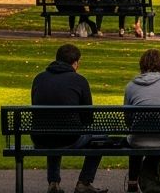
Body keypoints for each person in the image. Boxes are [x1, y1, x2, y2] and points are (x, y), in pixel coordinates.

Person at [30, 43, 107, 193]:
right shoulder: (79, 80)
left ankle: (53, 181)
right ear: (75, 63)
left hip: (41, 137)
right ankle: (84, 181)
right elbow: (88, 117)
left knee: (52, 130)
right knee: (101, 137)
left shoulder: (39, 79)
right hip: (69, 137)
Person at [123, 48, 160, 193]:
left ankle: (132, 182)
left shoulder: (131, 86)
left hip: (139, 140)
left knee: (135, 136)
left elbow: (128, 119)